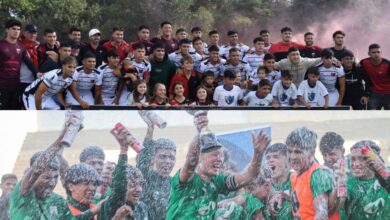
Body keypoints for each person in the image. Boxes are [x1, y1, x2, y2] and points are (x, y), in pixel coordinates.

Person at [166, 112, 270, 219]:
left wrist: (258, 154)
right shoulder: (186, 179)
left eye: (220, 155)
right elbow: (191, 161)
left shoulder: (218, 182)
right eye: (214, 155)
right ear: (200, 157)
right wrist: (200, 132)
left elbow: (249, 176)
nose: (219, 159)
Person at [9, 115, 83, 219]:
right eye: (47, 178)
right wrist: (62, 137)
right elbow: (36, 169)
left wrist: (69, 135)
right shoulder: (23, 192)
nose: (52, 183)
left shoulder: (59, 202)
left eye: (55, 177)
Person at [285, 127, 340, 220]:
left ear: (311, 153)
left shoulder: (318, 174)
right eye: (289, 151)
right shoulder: (294, 176)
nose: (292, 157)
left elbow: (321, 216)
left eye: (298, 152)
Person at [135, 112, 177, 219]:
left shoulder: (175, 183)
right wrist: (150, 129)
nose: (168, 161)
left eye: (171, 158)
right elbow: (142, 161)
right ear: (152, 159)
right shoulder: (145, 178)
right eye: (163, 156)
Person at [0, 19, 40, 110]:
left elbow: (29, 63)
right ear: (7, 30)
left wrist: (37, 73)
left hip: (16, 85)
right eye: (13, 29)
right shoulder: (1, 45)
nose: (16, 31)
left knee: (15, 111)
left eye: (18, 29)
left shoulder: (21, 47)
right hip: (2, 86)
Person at [345, 140, 390, 219]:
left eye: (363, 158)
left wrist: (380, 169)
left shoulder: (387, 175)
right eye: (353, 159)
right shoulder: (348, 184)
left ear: (375, 159)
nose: (356, 164)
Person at [264, 143, 293, 220]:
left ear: (288, 163)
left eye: (276, 157)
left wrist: (285, 194)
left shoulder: (297, 180)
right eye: (268, 158)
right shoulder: (263, 185)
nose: (270, 160)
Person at [360, 43, 390, 109]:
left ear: (381, 53)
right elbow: (355, 66)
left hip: (388, 93)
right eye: (373, 52)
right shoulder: (364, 62)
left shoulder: (387, 64)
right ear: (369, 53)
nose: (376, 54)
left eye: (378, 52)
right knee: (371, 115)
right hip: (375, 93)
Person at [18, 24, 39, 94]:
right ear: (24, 33)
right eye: (30, 32)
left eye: (34, 33)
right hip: (22, 80)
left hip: (35, 80)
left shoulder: (37, 46)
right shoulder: (19, 45)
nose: (33, 35)